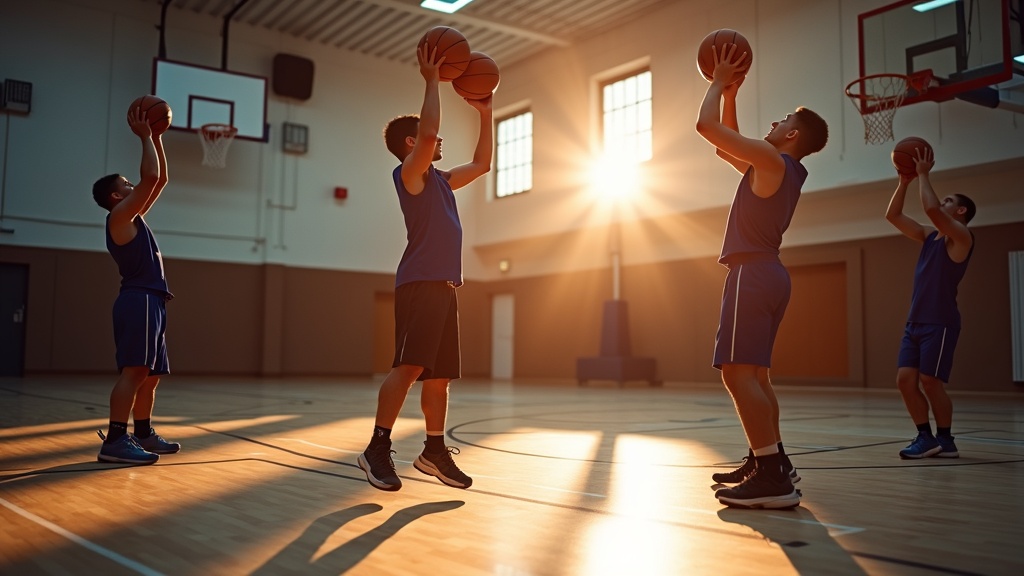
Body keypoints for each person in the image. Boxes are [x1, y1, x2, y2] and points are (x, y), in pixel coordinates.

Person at [695, 45, 828, 508]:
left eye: (777, 121)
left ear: (791, 133)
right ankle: (769, 459)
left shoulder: (771, 162)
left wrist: (716, 81)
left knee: (736, 375)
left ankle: (771, 475)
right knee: (758, 377)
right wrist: (731, 93)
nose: (769, 125)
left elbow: (705, 127)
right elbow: (724, 140)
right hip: (770, 272)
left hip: (752, 274)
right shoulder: (780, 167)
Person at [357, 41, 493, 491]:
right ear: (413, 144)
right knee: (410, 367)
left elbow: (483, 163)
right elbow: (432, 129)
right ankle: (377, 447)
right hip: (419, 284)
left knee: (440, 379)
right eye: (429, 137)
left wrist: (486, 111)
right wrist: (432, 79)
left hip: (444, 287)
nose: (438, 142)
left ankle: (433, 451)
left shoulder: (443, 181)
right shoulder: (410, 175)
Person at [91, 103, 179, 465]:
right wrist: (145, 136)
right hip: (138, 299)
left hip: (153, 301)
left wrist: (157, 139)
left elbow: (159, 180)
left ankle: (142, 432)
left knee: (152, 376)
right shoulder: (119, 215)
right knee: (135, 372)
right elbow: (149, 179)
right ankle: (114, 440)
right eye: (125, 184)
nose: (133, 186)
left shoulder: (134, 215)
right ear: (115, 197)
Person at [885, 148, 975, 459]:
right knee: (905, 381)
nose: (943, 203)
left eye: (950, 201)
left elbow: (932, 210)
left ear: (961, 212)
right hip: (916, 322)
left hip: (941, 321)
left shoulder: (962, 238)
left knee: (930, 381)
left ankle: (946, 440)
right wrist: (904, 181)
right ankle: (926, 437)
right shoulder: (928, 238)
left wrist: (924, 173)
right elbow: (893, 216)